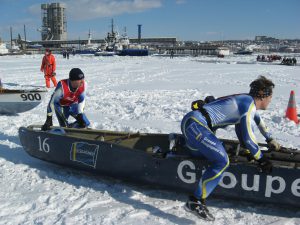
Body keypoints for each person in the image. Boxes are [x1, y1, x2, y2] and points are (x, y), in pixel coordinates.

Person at [181, 76, 280, 220]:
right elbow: (247, 137)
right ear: (263, 96)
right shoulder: (248, 105)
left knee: (204, 155)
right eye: (271, 96)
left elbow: (257, 120)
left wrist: (269, 138)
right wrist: (261, 159)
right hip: (196, 125)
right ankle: (195, 201)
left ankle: (178, 142)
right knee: (222, 161)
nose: (271, 100)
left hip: (194, 124)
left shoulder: (246, 100)